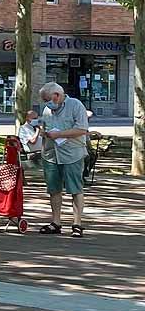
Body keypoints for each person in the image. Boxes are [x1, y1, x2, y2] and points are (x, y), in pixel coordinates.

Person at [37, 82, 89, 237]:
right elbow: (44, 127)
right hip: (51, 155)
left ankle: (77, 224)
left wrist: (59, 135)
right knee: (54, 189)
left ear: (57, 95)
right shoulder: (47, 110)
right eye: (44, 100)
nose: (46, 103)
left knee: (75, 188)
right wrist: (43, 133)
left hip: (72, 154)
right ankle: (56, 222)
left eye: (48, 99)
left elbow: (82, 129)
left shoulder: (76, 106)